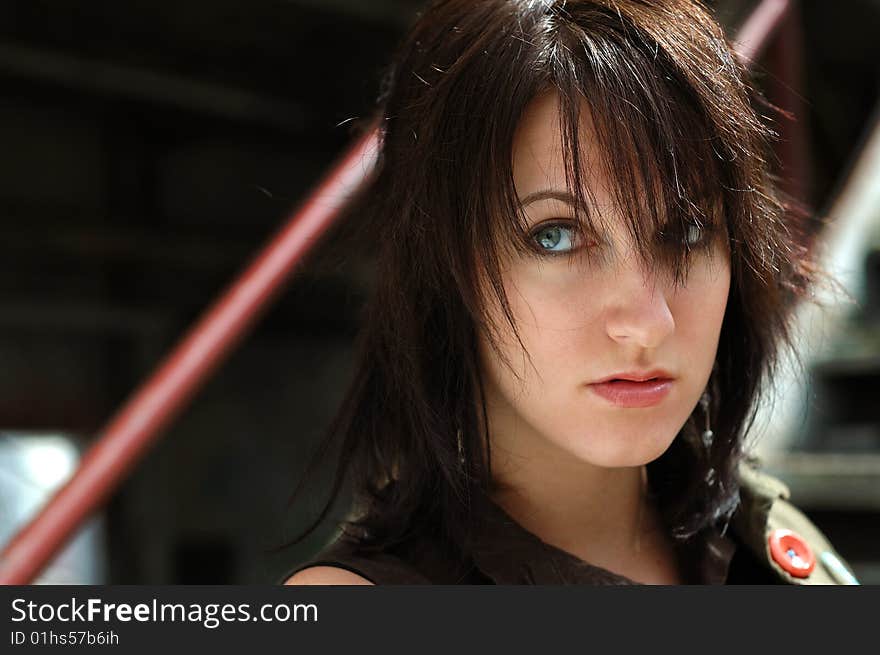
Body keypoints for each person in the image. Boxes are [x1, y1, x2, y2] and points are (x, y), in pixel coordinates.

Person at [277, 0, 859, 585]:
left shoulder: (771, 540)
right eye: (554, 236)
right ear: (445, 269)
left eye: (684, 232)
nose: (649, 321)